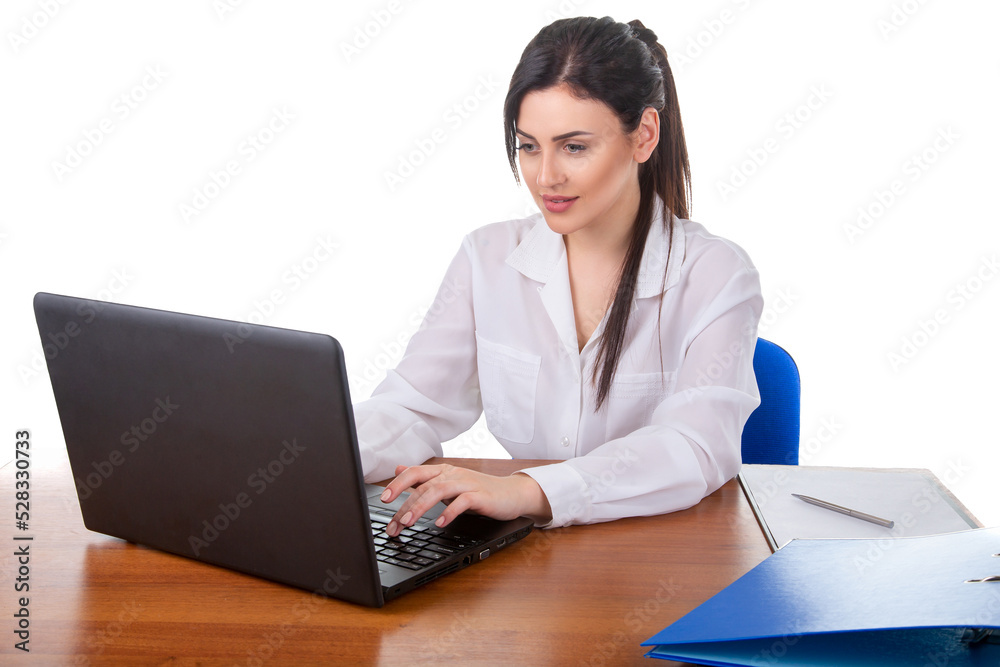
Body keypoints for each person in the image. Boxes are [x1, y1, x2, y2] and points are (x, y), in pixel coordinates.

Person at [355, 16, 763, 537]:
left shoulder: (716, 275)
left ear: (644, 135)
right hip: (525, 564)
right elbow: (414, 407)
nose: (546, 176)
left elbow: (695, 445)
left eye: (574, 147)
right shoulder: (488, 257)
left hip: (657, 558)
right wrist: (313, 452)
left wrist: (528, 490)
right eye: (529, 146)